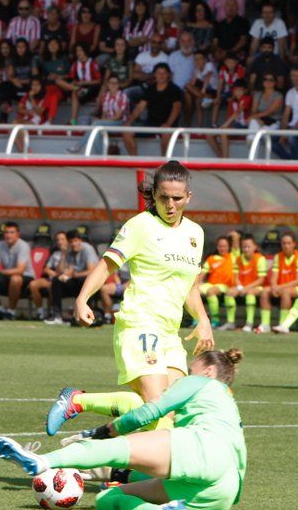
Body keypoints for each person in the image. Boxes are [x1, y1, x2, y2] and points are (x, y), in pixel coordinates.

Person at [45, 161, 214, 437]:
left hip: (170, 333)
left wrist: (203, 321)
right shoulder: (140, 226)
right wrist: (82, 299)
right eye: (164, 197)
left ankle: (82, 410)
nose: (170, 205)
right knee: (158, 412)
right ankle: (86, 418)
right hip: (140, 325)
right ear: (154, 195)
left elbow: (190, 287)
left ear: (188, 197)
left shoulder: (195, 233)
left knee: (167, 416)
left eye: (177, 198)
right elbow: (105, 267)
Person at [0, 348, 246, 510]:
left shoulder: (200, 382)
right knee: (107, 499)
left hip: (203, 449)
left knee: (113, 449)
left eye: (191, 370)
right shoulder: (230, 406)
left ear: (209, 371)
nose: (187, 375)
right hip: (223, 493)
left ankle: (42, 461)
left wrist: (106, 431)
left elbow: (149, 411)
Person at [122, 64, 184, 156]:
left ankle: (164, 162)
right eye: (159, 73)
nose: (161, 75)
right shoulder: (150, 89)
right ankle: (135, 161)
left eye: (164, 73)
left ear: (168, 75)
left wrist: (168, 124)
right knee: (126, 131)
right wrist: (129, 121)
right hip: (150, 124)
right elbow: (140, 107)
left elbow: (177, 108)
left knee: (167, 133)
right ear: (154, 74)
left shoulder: (175, 90)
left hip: (169, 125)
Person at [42, 229, 100, 325]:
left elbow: (91, 271)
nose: (73, 244)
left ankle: (87, 315)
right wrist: (63, 255)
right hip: (76, 281)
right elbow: (64, 271)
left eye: (76, 241)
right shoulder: (69, 251)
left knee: (83, 280)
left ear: (80, 240)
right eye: (71, 242)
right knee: (56, 280)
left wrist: (74, 275)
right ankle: (57, 316)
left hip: (90, 283)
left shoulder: (87, 249)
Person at [0, 221, 32, 319]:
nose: (9, 235)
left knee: (15, 278)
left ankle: (11, 311)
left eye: (12, 232)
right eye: (6, 232)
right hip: (6, 276)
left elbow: (20, 270)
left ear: (18, 234)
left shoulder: (23, 246)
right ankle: (0, 310)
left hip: (25, 277)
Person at [267, 232, 298, 332]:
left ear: (294, 244)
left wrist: (279, 287)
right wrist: (274, 286)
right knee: (265, 291)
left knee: (286, 292)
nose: (286, 246)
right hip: (281, 287)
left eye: (289, 243)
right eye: (284, 243)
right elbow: (274, 276)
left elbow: (297, 281)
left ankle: (283, 324)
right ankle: (265, 324)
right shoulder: (278, 256)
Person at [232, 235, 268, 332]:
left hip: (258, 287)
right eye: (244, 247)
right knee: (229, 292)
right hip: (242, 287)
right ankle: (230, 322)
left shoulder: (260, 259)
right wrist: (240, 287)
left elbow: (261, 280)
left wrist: (246, 288)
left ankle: (249, 323)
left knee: (250, 293)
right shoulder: (238, 259)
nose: (246, 249)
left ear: (255, 247)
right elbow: (236, 277)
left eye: (248, 247)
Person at [201, 235, 238, 327]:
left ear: (229, 247)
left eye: (224, 246)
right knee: (193, 291)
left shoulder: (233, 256)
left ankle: (215, 320)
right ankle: (198, 319)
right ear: (217, 247)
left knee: (211, 291)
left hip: (226, 285)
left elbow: (236, 246)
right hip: (210, 284)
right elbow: (202, 273)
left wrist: (235, 236)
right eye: (220, 246)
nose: (222, 248)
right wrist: (196, 283)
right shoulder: (211, 258)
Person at [29, 230, 67, 319]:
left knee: (53, 285)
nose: (60, 242)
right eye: (58, 240)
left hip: (65, 280)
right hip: (54, 277)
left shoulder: (72, 253)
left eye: (62, 239)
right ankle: (40, 311)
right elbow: (46, 268)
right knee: (33, 284)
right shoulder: (55, 253)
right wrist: (52, 273)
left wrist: (63, 255)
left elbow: (62, 271)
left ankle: (54, 311)